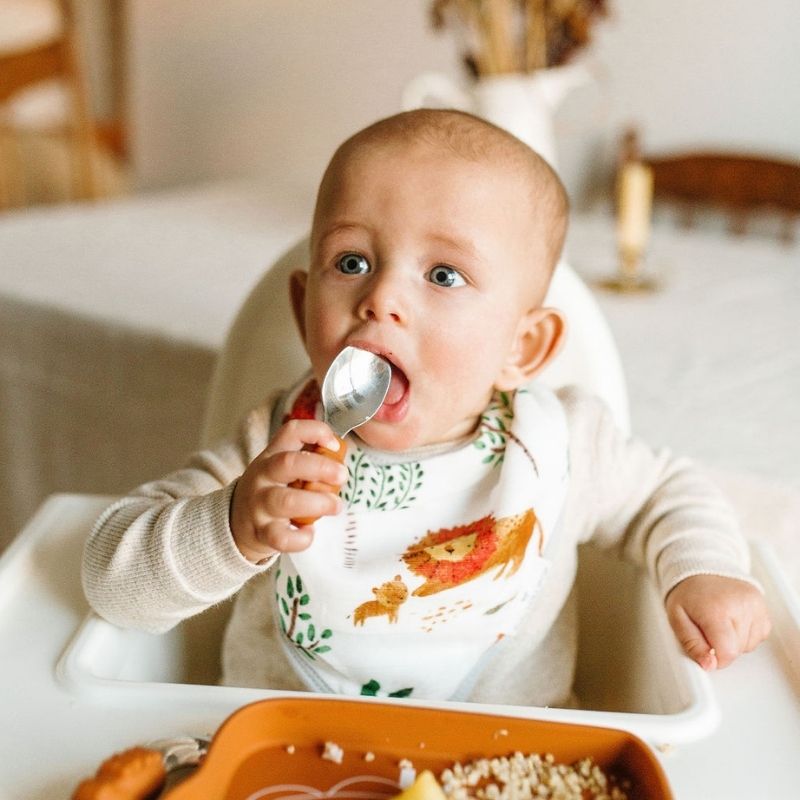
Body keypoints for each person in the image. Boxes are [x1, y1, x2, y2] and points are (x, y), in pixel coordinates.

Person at [83, 109, 770, 706]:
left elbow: (668, 493)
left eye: (443, 274)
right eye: (351, 262)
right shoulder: (272, 445)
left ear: (522, 346)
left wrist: (704, 570)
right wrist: (232, 525)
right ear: (302, 307)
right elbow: (110, 581)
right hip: (280, 757)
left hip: (508, 762)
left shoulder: (562, 446)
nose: (380, 297)